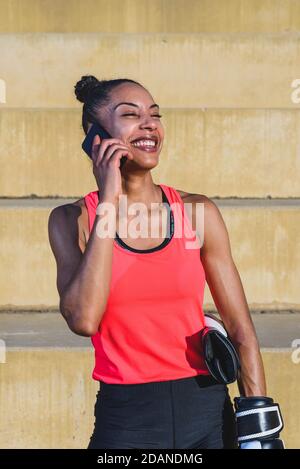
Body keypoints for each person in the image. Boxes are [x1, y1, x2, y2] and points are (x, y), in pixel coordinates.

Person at [48, 75, 270, 449]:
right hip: (126, 419)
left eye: (155, 114)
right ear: (95, 136)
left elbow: (240, 328)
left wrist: (259, 426)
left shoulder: (198, 212)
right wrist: (108, 201)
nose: (150, 124)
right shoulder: (73, 220)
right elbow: (84, 319)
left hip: (207, 412)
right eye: (131, 115)